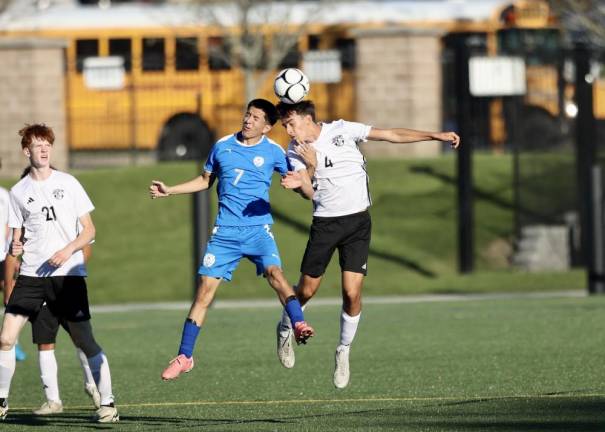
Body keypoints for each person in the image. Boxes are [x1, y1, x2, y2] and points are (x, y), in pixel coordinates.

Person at [275, 100, 460, 389]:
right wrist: (308, 168)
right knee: (307, 290)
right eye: (284, 126)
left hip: (358, 223)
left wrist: (435, 135)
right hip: (326, 224)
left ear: (307, 117)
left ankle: (343, 350)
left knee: (352, 293)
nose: (287, 130)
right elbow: (308, 193)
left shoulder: (342, 129)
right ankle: (286, 326)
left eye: (290, 123)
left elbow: (390, 134)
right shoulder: (294, 151)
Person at [149, 99, 315, 381]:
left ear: (267, 127)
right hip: (225, 233)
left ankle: (298, 323)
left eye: (255, 118)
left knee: (276, 274)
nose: (248, 121)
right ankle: (185, 356)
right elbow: (205, 180)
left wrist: (307, 171)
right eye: (247, 114)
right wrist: (170, 190)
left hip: (258, 230)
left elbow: (303, 188)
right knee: (204, 293)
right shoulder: (223, 146)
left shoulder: (275, 152)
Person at [0, 123, 118, 423]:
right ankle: (1, 401)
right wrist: (15, 245)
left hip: (68, 276)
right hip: (31, 277)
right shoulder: (17, 192)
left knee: (84, 340)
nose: (43, 149)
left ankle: (108, 403)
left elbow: (90, 230)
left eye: (47, 144)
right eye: (37, 145)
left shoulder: (69, 183)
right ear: (26, 151)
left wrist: (67, 251)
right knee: (5, 338)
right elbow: (17, 238)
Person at [0, 186, 26, 363]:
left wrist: (13, 255)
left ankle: (13, 341)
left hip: (2, 255)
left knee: (10, 295)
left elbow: (12, 226)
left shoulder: (5, 195)